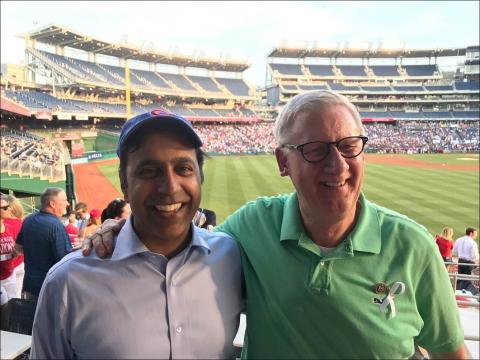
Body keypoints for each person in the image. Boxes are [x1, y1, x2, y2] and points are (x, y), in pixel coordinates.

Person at [84, 91, 466, 359]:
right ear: (283, 163)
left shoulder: (413, 246)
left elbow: (451, 354)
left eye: (349, 145)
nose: (338, 166)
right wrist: (125, 229)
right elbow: (185, 245)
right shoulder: (253, 226)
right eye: (316, 150)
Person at [31, 110, 243, 359]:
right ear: (124, 184)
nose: (170, 187)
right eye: (149, 171)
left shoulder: (232, 256)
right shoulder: (68, 281)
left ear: (200, 177)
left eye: (183, 168)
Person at [15, 187, 72, 300]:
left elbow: (18, 247)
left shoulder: (28, 219)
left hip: (30, 285)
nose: (68, 203)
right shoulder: (56, 226)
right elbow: (65, 261)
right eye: (64, 200)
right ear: (52, 204)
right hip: (50, 290)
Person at [0, 195, 22, 300]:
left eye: (8, 206)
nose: (9, 209)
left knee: (13, 305)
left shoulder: (9, 227)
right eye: (4, 208)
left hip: (10, 273)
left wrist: (14, 253)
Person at [453, 227, 479, 291]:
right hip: (469, 263)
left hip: (460, 261)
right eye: (475, 233)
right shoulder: (473, 243)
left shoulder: (458, 240)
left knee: (460, 279)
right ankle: (466, 294)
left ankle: (458, 292)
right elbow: (475, 256)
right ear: (471, 233)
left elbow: (454, 252)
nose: (476, 235)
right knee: (468, 280)